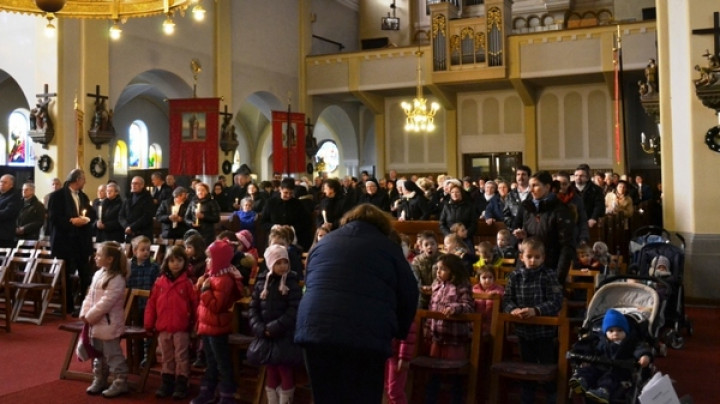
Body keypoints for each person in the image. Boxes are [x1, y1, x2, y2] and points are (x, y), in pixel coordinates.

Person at [295, 204, 419, 404]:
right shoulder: (387, 247)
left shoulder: (324, 242)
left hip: (315, 329)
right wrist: (399, 331)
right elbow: (409, 293)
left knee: (325, 396)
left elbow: (310, 282)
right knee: (363, 395)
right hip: (366, 331)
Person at [502, 237, 564, 404]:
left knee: (546, 366)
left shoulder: (549, 275)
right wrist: (513, 310)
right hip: (523, 330)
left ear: (543, 258)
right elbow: (506, 300)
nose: (533, 260)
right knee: (526, 368)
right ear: (522, 257)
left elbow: (556, 301)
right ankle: (527, 398)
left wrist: (536, 310)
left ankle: (551, 397)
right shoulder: (515, 276)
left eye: (537, 257)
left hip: (545, 331)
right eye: (529, 256)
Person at [247, 244, 303, 404]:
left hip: (284, 335)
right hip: (265, 335)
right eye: (278, 263)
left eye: (285, 262)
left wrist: (276, 327)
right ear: (270, 264)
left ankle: (285, 400)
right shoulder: (262, 283)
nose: (283, 266)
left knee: (285, 369)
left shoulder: (292, 283)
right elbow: (253, 308)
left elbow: (294, 309)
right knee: (270, 369)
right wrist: (259, 328)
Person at [144, 245, 199, 400]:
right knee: (167, 356)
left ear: (185, 262)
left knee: (181, 356)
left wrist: (196, 325)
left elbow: (195, 306)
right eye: (172, 260)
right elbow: (152, 304)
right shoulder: (160, 282)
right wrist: (149, 323)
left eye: (179, 260)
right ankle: (167, 382)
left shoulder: (187, 283)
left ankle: (182, 382)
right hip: (163, 327)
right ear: (166, 262)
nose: (175, 264)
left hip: (181, 327)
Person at [191, 239, 242, 404]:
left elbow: (217, 306)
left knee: (222, 363)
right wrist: (200, 286)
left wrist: (205, 290)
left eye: (210, 258)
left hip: (217, 328)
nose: (207, 261)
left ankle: (227, 395)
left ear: (219, 261)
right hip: (207, 326)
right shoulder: (212, 276)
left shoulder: (224, 280)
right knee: (210, 362)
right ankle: (208, 392)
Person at [569, 309, 653, 403]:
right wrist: (581, 354)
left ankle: (603, 391)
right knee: (589, 370)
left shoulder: (631, 342)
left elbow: (640, 348)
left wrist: (644, 356)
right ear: (605, 332)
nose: (615, 333)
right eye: (611, 330)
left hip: (620, 370)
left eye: (620, 330)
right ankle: (581, 381)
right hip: (600, 366)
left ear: (626, 331)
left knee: (610, 378)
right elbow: (590, 348)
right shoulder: (600, 341)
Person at [80, 241, 129, 398]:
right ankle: (100, 379)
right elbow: (90, 296)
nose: (96, 257)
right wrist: (84, 312)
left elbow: (106, 303)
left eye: (99, 254)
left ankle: (120, 382)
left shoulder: (117, 279)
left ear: (110, 259)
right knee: (97, 354)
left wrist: (90, 316)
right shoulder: (98, 273)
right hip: (96, 323)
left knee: (113, 354)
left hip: (109, 323)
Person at [424, 253, 475, 403]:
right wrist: (427, 327)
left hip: (454, 339)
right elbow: (431, 308)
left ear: (453, 270)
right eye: (437, 268)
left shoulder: (462, 285)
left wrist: (455, 308)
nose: (438, 272)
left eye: (443, 269)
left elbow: (468, 306)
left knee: (454, 375)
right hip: (437, 337)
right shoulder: (437, 285)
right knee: (433, 374)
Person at [512, 171, 576, 284]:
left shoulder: (560, 209)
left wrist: (558, 277)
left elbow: (567, 246)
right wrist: (524, 237)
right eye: (530, 186)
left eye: (535, 185)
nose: (531, 190)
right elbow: (523, 231)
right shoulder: (528, 207)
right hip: (527, 266)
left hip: (550, 266)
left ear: (547, 187)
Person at [48, 169, 96, 316]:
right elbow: (54, 218)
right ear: (76, 180)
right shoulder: (57, 196)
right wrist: (71, 222)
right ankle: (67, 305)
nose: (85, 182)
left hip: (81, 241)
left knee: (84, 274)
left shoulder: (83, 196)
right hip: (64, 241)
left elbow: (91, 214)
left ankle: (84, 305)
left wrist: (85, 220)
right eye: (83, 179)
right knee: (66, 275)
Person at [126, 235, 160, 367]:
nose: (146, 252)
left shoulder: (153, 266)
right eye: (143, 249)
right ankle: (136, 356)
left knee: (148, 332)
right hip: (134, 304)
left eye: (148, 250)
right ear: (135, 251)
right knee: (135, 330)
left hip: (148, 304)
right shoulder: (129, 265)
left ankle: (149, 357)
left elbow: (157, 285)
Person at [260, 178, 313, 251]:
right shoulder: (270, 203)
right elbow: (263, 222)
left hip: (293, 241)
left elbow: (305, 222)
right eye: (285, 192)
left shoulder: (297, 204)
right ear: (280, 189)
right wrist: (273, 226)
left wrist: (291, 228)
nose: (288, 195)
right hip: (274, 240)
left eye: (291, 193)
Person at [119, 176, 155, 243]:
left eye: (136, 183)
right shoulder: (128, 198)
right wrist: (127, 226)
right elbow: (121, 215)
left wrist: (132, 227)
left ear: (142, 185)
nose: (133, 185)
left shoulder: (147, 198)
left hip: (143, 233)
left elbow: (146, 216)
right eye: (132, 183)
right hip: (129, 234)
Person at [412, 230, 441, 309]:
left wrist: (433, 286)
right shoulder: (417, 260)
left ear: (437, 245)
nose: (429, 247)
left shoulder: (443, 259)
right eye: (426, 245)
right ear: (421, 247)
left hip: (440, 294)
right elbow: (415, 277)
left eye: (432, 244)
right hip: (422, 294)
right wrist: (421, 286)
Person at [185, 182, 221, 246]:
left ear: (207, 191)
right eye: (198, 190)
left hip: (207, 233)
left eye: (202, 190)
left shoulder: (212, 202)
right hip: (194, 231)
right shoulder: (193, 202)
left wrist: (203, 216)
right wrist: (191, 223)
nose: (200, 192)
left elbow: (216, 218)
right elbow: (186, 217)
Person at [472, 265, 505, 336]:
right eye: (484, 277)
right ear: (479, 279)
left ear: (494, 278)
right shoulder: (474, 290)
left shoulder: (498, 289)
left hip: (493, 322)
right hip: (477, 323)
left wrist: (497, 294)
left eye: (490, 277)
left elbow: (503, 296)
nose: (487, 280)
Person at [573, 165, 606, 230]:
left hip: (589, 221)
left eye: (581, 176)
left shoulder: (596, 189)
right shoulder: (570, 188)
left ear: (587, 178)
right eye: (576, 175)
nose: (578, 177)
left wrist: (593, 218)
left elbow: (599, 206)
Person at [0, 174, 23, 247]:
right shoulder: (2, 196)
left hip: (5, 235)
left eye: (5, 182)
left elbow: (8, 213)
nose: (2, 184)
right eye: (1, 182)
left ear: (11, 185)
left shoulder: (15, 197)